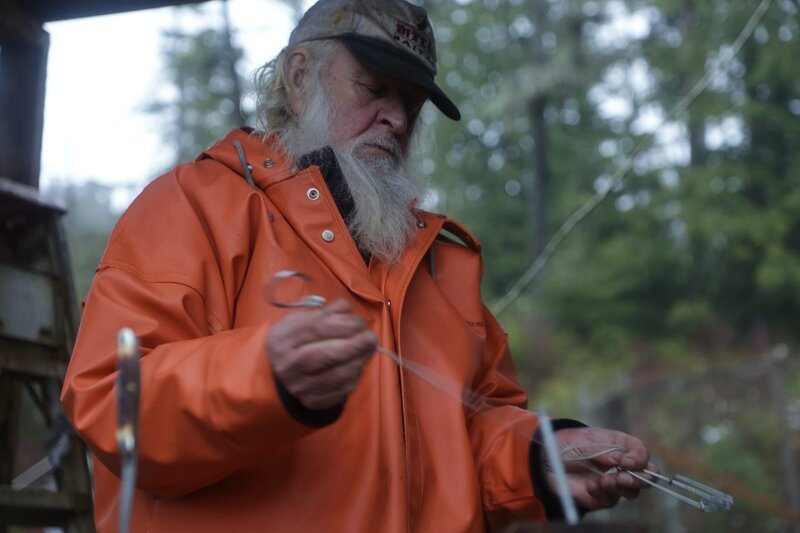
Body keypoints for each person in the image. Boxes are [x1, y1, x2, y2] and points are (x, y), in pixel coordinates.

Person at [61, 0, 652, 531]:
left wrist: (541, 460)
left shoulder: (443, 260)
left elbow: (469, 436)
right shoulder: (190, 205)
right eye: (373, 89)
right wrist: (260, 379)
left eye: (411, 104)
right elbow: (111, 402)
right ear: (299, 78)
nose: (396, 118)